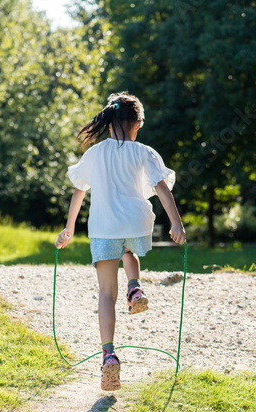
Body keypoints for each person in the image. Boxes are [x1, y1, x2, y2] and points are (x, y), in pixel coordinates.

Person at [55, 91, 186, 391]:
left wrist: (69, 228)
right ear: (137, 123)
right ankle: (135, 287)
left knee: (104, 294)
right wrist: (176, 223)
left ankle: (108, 355)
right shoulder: (144, 152)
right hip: (136, 222)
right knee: (129, 247)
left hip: (103, 227)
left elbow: (79, 190)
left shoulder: (94, 154)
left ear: (110, 120)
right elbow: (161, 187)